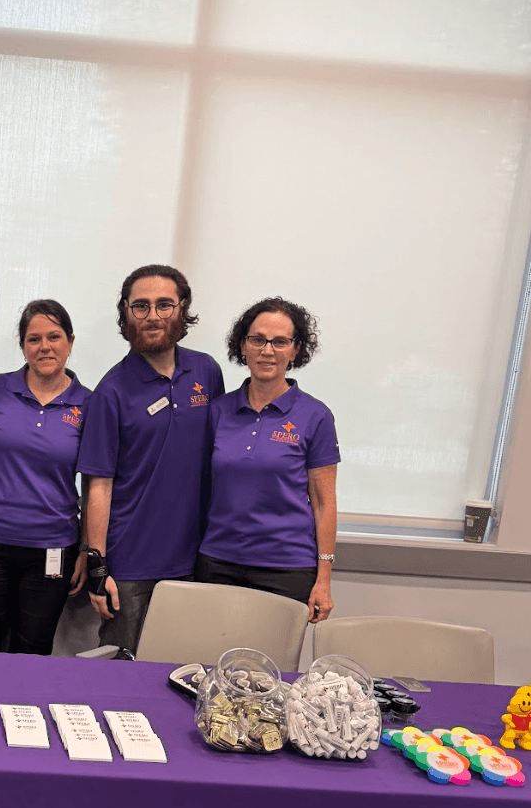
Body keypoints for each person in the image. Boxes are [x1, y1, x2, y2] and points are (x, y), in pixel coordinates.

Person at [76, 264, 225, 654]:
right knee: (121, 677)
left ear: (182, 308)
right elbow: (98, 487)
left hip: (196, 561)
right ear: (125, 312)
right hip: (129, 568)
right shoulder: (111, 392)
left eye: (164, 305)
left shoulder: (206, 373)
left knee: (186, 676)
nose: (153, 316)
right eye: (140, 306)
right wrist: (98, 566)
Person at [0, 299, 91, 654]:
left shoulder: (89, 405)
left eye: (54, 337)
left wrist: (87, 551)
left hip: (51, 547)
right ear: (23, 346)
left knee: (34, 648)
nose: (44, 346)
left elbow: (95, 485)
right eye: (34, 339)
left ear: (70, 342)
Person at [196, 297, 338, 621]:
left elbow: (323, 502)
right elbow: (202, 488)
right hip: (218, 562)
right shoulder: (218, 411)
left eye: (279, 342)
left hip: (286, 570)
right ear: (243, 346)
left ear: (295, 349)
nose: (267, 350)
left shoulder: (315, 416)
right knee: (211, 664)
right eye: (257, 339)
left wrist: (324, 578)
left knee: (271, 669)